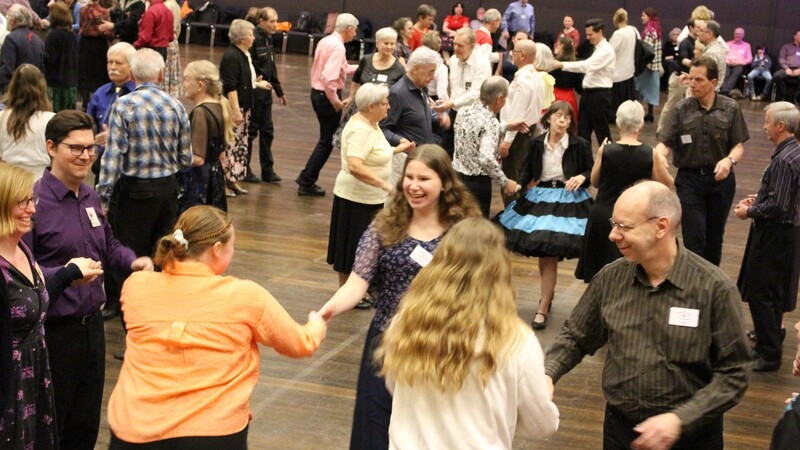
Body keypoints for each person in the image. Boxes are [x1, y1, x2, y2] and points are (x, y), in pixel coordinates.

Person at [546, 180, 751, 449]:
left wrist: (680, 419)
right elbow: (576, 336)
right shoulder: (611, 278)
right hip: (621, 433)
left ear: (661, 227)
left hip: (691, 438)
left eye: (625, 226)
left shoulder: (714, 289)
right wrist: (547, 374)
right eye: (614, 223)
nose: (613, 235)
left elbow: (735, 372)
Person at [107, 206, 327, 448]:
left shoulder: (136, 287)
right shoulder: (246, 296)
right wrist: (317, 325)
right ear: (218, 249)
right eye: (232, 247)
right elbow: (300, 344)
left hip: (134, 430)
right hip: (212, 433)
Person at [318, 144, 481, 450]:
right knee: (376, 426)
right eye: (409, 177)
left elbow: (475, 291)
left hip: (438, 346)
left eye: (424, 179)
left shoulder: (462, 232)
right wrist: (328, 310)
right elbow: (357, 281)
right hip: (386, 344)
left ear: (445, 183)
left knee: (427, 434)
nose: (414, 186)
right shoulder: (385, 225)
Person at [25, 110, 153, 450]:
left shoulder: (91, 197)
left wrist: (133, 261)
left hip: (92, 332)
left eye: (90, 148)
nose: (85, 156)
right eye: (75, 148)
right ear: (51, 147)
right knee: (54, 426)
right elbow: (22, 276)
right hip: (54, 335)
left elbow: (107, 245)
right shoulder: (32, 205)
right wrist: (66, 275)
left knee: (86, 424)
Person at [376, 217, 559, 448]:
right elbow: (540, 426)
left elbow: (395, 385)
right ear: (499, 270)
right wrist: (543, 391)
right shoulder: (517, 340)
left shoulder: (406, 322)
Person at [0, 163, 102, 450]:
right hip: (9, 386)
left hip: (33, 376)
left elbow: (37, 299)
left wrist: (70, 273)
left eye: (32, 200)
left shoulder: (21, 248)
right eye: (22, 202)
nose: (32, 209)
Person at [98, 49, 191, 343]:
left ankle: (135, 328)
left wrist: (103, 193)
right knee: (162, 255)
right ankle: (160, 319)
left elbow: (113, 155)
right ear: (161, 75)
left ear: (134, 75)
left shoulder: (124, 106)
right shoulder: (175, 106)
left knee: (132, 258)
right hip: (167, 191)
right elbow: (186, 157)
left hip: (134, 192)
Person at [497, 101, 593, 329]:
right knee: (545, 252)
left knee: (551, 253)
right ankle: (545, 300)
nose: (563, 121)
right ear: (548, 118)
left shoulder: (579, 144)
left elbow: (590, 171)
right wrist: (518, 185)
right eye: (559, 116)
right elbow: (528, 170)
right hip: (541, 196)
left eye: (567, 118)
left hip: (569, 199)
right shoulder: (536, 142)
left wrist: (582, 177)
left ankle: (545, 304)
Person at [655, 56, 748, 266]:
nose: (693, 84)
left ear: (713, 82)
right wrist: (659, 155)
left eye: (699, 80)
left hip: (721, 183)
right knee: (694, 238)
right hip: (690, 181)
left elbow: (739, 145)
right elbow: (665, 143)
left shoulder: (730, 108)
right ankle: (692, 288)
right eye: (692, 79)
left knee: (714, 240)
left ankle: (711, 289)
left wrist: (729, 160)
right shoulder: (681, 109)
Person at [328, 83, 415, 307]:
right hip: (356, 198)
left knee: (365, 245)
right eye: (385, 103)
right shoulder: (361, 130)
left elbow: (375, 154)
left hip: (369, 197)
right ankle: (349, 292)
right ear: (371, 106)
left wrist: (397, 149)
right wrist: (386, 186)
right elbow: (356, 166)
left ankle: (360, 290)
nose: (389, 106)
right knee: (352, 248)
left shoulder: (370, 123)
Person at [575, 100, 673, 283]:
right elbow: (668, 183)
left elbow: (595, 182)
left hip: (603, 216)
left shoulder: (606, 150)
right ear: (641, 124)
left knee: (599, 274)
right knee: (627, 275)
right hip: (633, 220)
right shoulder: (649, 153)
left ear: (618, 124)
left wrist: (600, 155)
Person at [735, 102, 800, 372]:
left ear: (781, 126)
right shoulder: (793, 152)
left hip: (776, 234)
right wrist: (761, 198)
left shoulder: (785, 160)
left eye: (767, 122)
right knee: (771, 290)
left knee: (763, 292)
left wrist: (749, 210)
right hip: (786, 232)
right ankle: (767, 337)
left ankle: (769, 353)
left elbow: (777, 207)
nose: (764, 128)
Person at [296, 13, 358, 197]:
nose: (355, 34)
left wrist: (364, 65)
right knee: (326, 142)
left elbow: (343, 69)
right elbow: (330, 79)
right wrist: (336, 103)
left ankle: (306, 178)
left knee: (325, 140)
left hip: (317, 94)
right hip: (326, 97)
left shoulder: (326, 41)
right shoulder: (338, 47)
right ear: (348, 29)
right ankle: (307, 180)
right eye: (354, 30)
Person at [453, 76, 527, 217]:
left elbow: (476, 132)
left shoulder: (463, 112)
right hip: (477, 185)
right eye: (505, 99)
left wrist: (505, 126)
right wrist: (505, 182)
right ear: (499, 99)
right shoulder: (490, 122)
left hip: (457, 179)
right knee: (476, 228)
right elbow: (486, 158)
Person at [331, 26, 405, 158]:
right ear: (377, 43)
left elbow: (402, 92)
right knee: (352, 146)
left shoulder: (399, 68)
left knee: (371, 149)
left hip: (379, 114)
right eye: (386, 43)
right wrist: (351, 96)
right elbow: (356, 78)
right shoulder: (366, 60)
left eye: (392, 44)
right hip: (360, 110)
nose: (389, 47)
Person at [380, 46, 448, 186]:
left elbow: (420, 118)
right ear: (416, 69)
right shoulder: (398, 93)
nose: (432, 77)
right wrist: (401, 141)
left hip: (422, 161)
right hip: (404, 164)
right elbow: (382, 128)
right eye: (430, 72)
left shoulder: (421, 88)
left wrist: (437, 120)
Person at [219, 19, 272, 197]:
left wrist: (257, 84)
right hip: (236, 108)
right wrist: (235, 110)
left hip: (244, 107)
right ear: (242, 38)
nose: (253, 38)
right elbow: (230, 86)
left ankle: (232, 180)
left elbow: (244, 81)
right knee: (229, 147)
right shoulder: (232, 56)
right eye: (250, 35)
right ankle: (223, 183)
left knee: (239, 146)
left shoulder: (244, 55)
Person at [180, 60, 234, 213]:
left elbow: (198, 158)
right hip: (214, 178)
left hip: (200, 182)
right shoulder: (219, 106)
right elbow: (221, 153)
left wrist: (171, 158)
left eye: (187, 79)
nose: (184, 84)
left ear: (200, 85)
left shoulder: (200, 113)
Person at [550, 19, 615, 147]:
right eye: (587, 34)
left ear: (600, 32)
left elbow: (586, 66)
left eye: (590, 34)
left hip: (599, 95)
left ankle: (609, 163)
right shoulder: (598, 50)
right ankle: (585, 163)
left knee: (602, 133)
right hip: (589, 95)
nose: (588, 37)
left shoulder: (606, 51)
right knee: (583, 132)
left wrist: (561, 64)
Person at [499, 39, 544, 205]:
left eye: (515, 51)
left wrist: (506, 142)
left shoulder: (522, 81)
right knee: (522, 178)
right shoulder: (537, 77)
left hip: (517, 135)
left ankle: (511, 218)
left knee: (510, 180)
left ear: (523, 55)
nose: (512, 54)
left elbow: (516, 115)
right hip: (529, 131)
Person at [433, 28, 491, 156]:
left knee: (468, 155)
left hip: (473, 116)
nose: (456, 48)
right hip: (455, 112)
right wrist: (449, 107)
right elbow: (454, 89)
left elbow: (476, 93)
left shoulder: (482, 63)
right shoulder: (453, 60)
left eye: (460, 45)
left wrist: (451, 103)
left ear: (472, 46)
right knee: (447, 152)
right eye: (455, 44)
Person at [247, 7, 286, 184]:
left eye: (276, 21)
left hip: (267, 92)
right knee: (251, 132)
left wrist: (279, 90)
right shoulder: (252, 38)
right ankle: (244, 169)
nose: (275, 25)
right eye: (272, 21)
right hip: (256, 92)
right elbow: (250, 66)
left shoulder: (269, 39)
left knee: (267, 131)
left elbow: (271, 66)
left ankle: (267, 171)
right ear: (261, 21)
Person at [0, 64, 54, 179]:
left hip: (10, 182)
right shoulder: (51, 119)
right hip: (41, 180)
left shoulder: (2, 117)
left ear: (13, 87)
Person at [657, 19, 701, 136]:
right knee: (671, 106)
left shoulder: (699, 42)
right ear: (691, 28)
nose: (700, 29)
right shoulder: (686, 43)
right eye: (698, 27)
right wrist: (697, 66)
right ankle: (661, 130)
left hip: (690, 79)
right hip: (679, 79)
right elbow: (683, 58)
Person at [77, 0, 113, 109]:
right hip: (99, 45)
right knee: (99, 76)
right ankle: (100, 104)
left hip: (84, 44)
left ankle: (85, 104)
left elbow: (80, 25)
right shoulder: (104, 12)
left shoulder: (82, 10)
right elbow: (108, 33)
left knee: (85, 75)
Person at [43, 2, 77, 111]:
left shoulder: (52, 34)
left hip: (55, 84)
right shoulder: (72, 35)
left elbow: (49, 59)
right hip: (71, 82)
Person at [0, 5, 44, 89]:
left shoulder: (11, 39)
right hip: (35, 88)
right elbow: (42, 67)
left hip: (17, 89)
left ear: (13, 21)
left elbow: (7, 69)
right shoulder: (37, 39)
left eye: (7, 17)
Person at [608, 9, 636, 123]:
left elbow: (610, 51)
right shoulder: (633, 30)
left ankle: (615, 118)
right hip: (629, 71)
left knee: (616, 101)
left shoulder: (618, 34)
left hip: (618, 74)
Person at [636, 8, 662, 122]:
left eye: (644, 15)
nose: (642, 17)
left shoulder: (649, 32)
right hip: (655, 66)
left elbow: (647, 49)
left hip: (647, 66)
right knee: (652, 89)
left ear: (649, 17)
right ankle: (650, 113)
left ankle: (638, 112)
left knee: (639, 88)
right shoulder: (656, 30)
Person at [551, 37, 582, 119]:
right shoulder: (576, 65)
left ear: (561, 46)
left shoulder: (553, 63)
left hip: (554, 96)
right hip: (570, 97)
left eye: (557, 45)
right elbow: (579, 87)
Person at [697, 20, 727, 92]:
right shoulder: (717, 48)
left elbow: (704, 78)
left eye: (701, 31)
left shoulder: (711, 53)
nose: (698, 33)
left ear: (709, 34)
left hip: (707, 93)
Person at [720, 27, 752, 95]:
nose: (737, 35)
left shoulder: (746, 45)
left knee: (735, 73)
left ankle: (726, 90)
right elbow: (722, 55)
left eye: (739, 34)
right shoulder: (728, 44)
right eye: (736, 34)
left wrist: (739, 62)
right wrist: (727, 61)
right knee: (725, 73)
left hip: (738, 65)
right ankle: (723, 90)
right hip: (727, 63)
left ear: (743, 35)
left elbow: (749, 59)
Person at [162, 0, 182, 98]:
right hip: (173, 40)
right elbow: (178, 27)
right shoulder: (176, 5)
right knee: (172, 68)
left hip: (165, 39)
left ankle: (164, 90)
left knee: (166, 67)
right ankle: (172, 91)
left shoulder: (166, 6)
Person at [421, 31, 449, 102]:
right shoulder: (441, 68)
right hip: (434, 100)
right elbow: (442, 93)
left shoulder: (417, 63)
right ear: (439, 47)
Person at [774, 30, 800, 102]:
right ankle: (783, 95)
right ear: (795, 36)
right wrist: (786, 68)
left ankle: (796, 97)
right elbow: (781, 58)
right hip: (787, 68)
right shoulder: (786, 47)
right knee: (777, 76)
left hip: (799, 69)